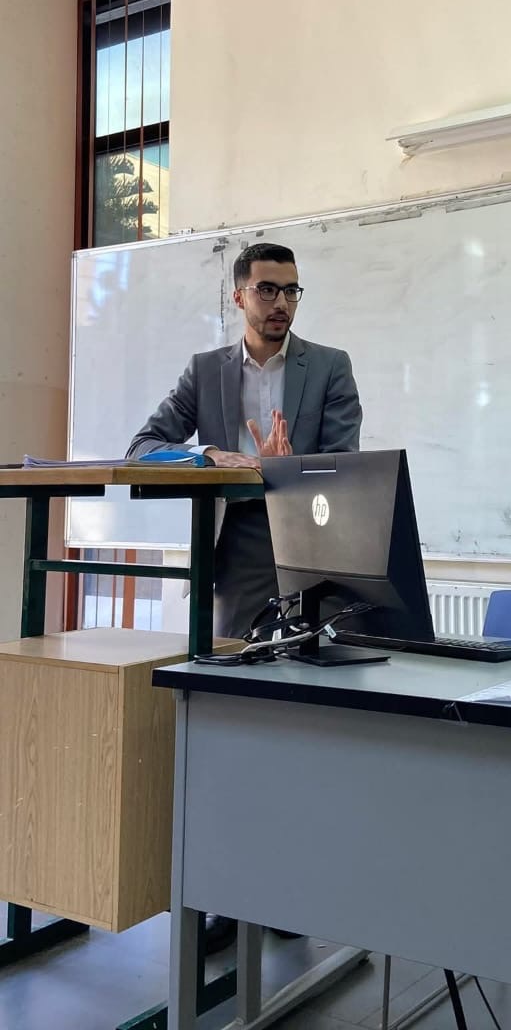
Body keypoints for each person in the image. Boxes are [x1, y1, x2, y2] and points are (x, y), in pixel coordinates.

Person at [128, 242, 362, 952]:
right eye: (267, 290)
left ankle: (289, 890)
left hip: (311, 552)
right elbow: (143, 447)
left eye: (292, 291)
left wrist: (287, 469)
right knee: (232, 720)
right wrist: (210, 455)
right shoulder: (207, 372)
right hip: (237, 552)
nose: (281, 303)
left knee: (302, 725)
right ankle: (229, 896)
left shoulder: (329, 366)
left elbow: (348, 466)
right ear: (239, 296)